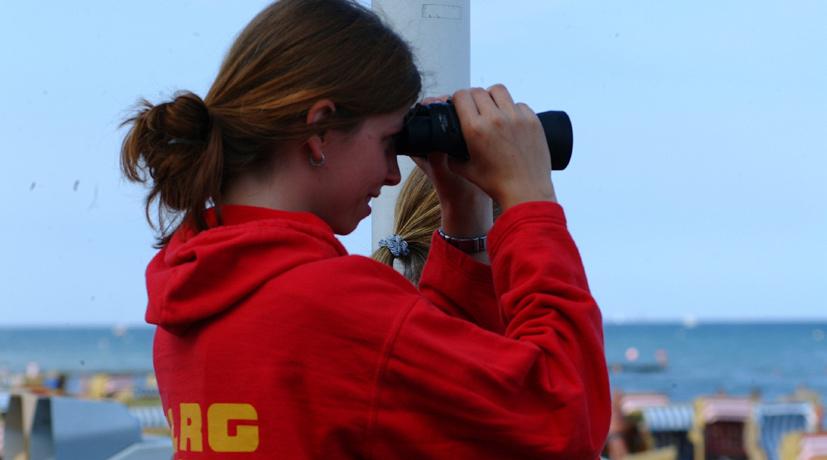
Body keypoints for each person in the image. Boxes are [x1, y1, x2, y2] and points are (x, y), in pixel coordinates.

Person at [121, 0, 610, 458]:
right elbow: (564, 419)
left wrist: (462, 217)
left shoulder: (191, 301)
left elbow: (409, 389)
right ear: (319, 132)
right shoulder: (330, 302)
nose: (395, 175)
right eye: (388, 142)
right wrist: (531, 203)